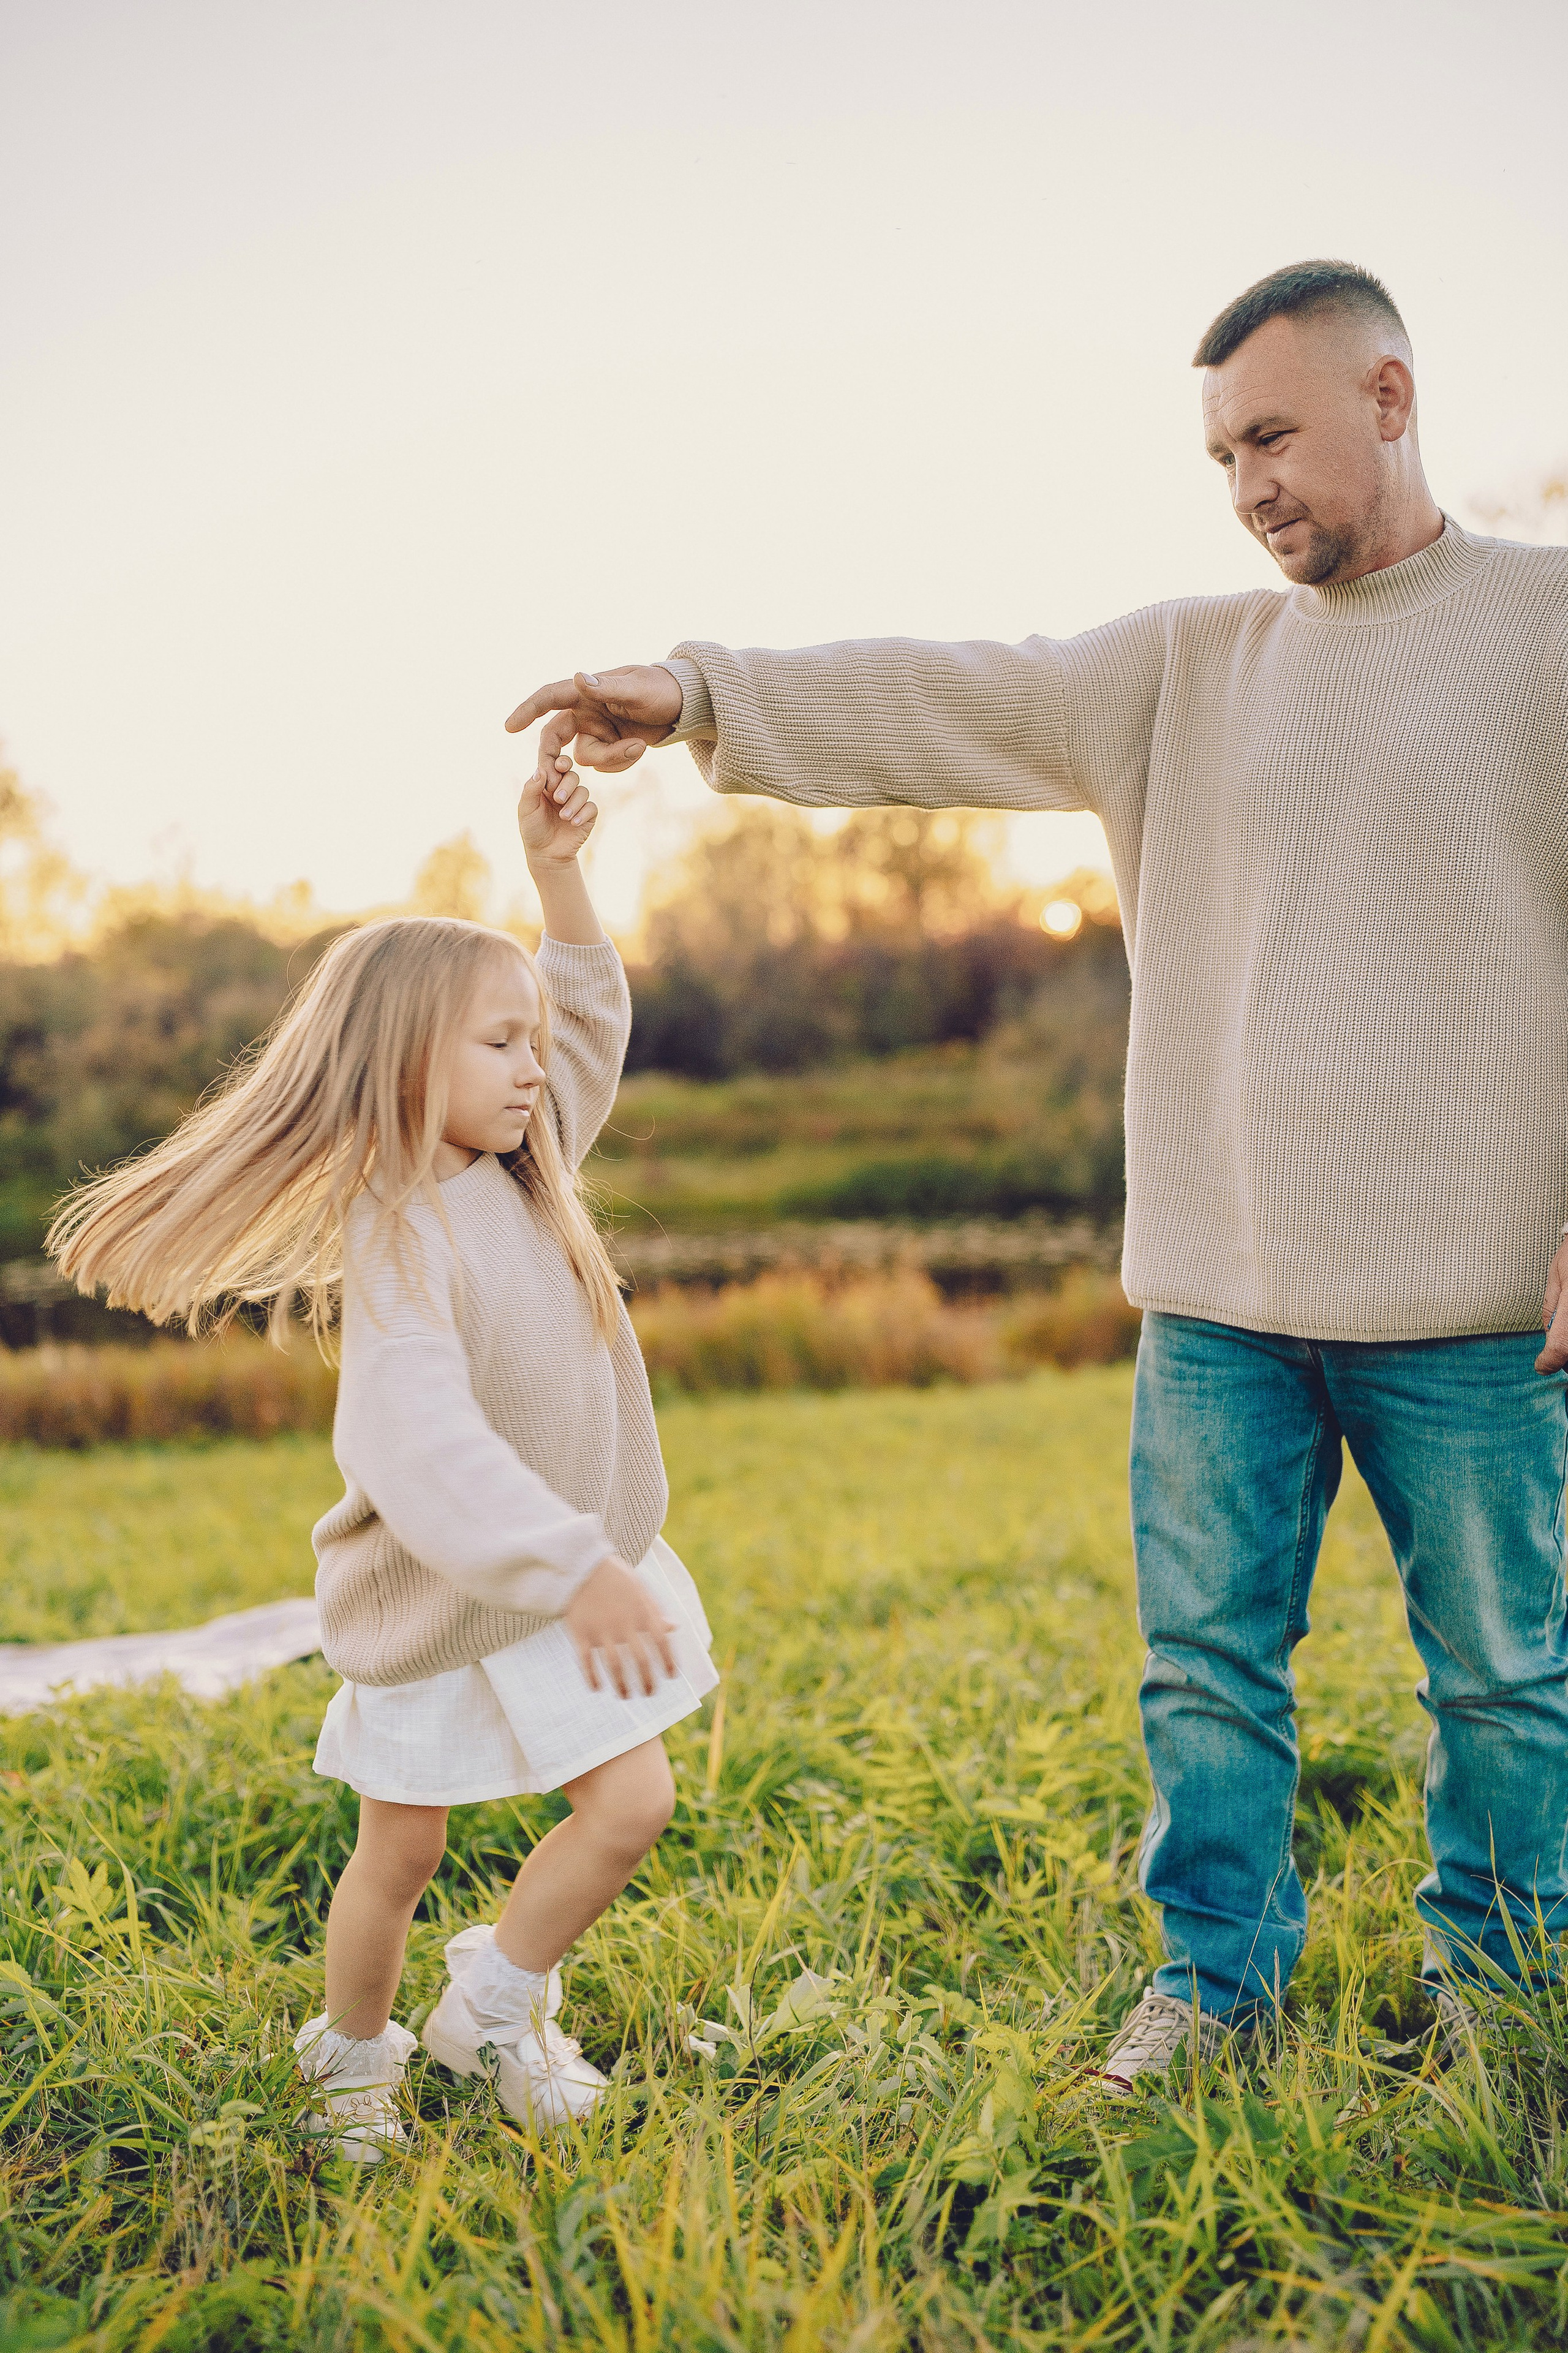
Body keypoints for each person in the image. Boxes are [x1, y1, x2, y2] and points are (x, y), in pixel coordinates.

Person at [504, 259, 1568, 2091]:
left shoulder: (1542, 632)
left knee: (1502, 1677)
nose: (1247, 487)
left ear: (1390, 399)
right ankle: (1213, 1992)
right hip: (1218, 1293)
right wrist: (691, 692)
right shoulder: (1181, 665)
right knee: (1205, 1674)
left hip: (1473, 1300)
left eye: (1273, 438)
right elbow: (949, 694)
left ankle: (1504, 1993)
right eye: (1221, 455)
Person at [48, 767, 716, 2159]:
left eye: (532, 1043)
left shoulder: (532, 1163)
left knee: (633, 1803)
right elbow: (422, 1442)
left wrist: (556, 874)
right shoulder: (400, 1236)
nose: (533, 1066)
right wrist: (569, 1563)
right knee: (400, 1851)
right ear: (410, 1064)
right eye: (500, 1043)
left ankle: (494, 2008)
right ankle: (350, 2062)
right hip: (439, 1599)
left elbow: (589, 1021)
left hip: (563, 1584)